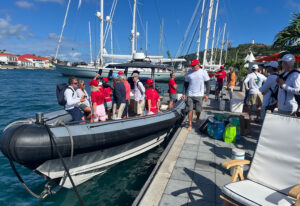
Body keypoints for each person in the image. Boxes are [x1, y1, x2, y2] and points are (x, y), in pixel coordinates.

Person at [183, 59, 210, 131]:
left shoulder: (203, 72)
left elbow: (208, 84)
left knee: (198, 110)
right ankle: (190, 124)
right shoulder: (189, 73)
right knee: (190, 109)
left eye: (194, 65)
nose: (193, 67)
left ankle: (197, 118)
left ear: (198, 65)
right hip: (190, 94)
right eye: (192, 66)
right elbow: (185, 84)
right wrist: (183, 94)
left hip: (199, 95)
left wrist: (207, 94)